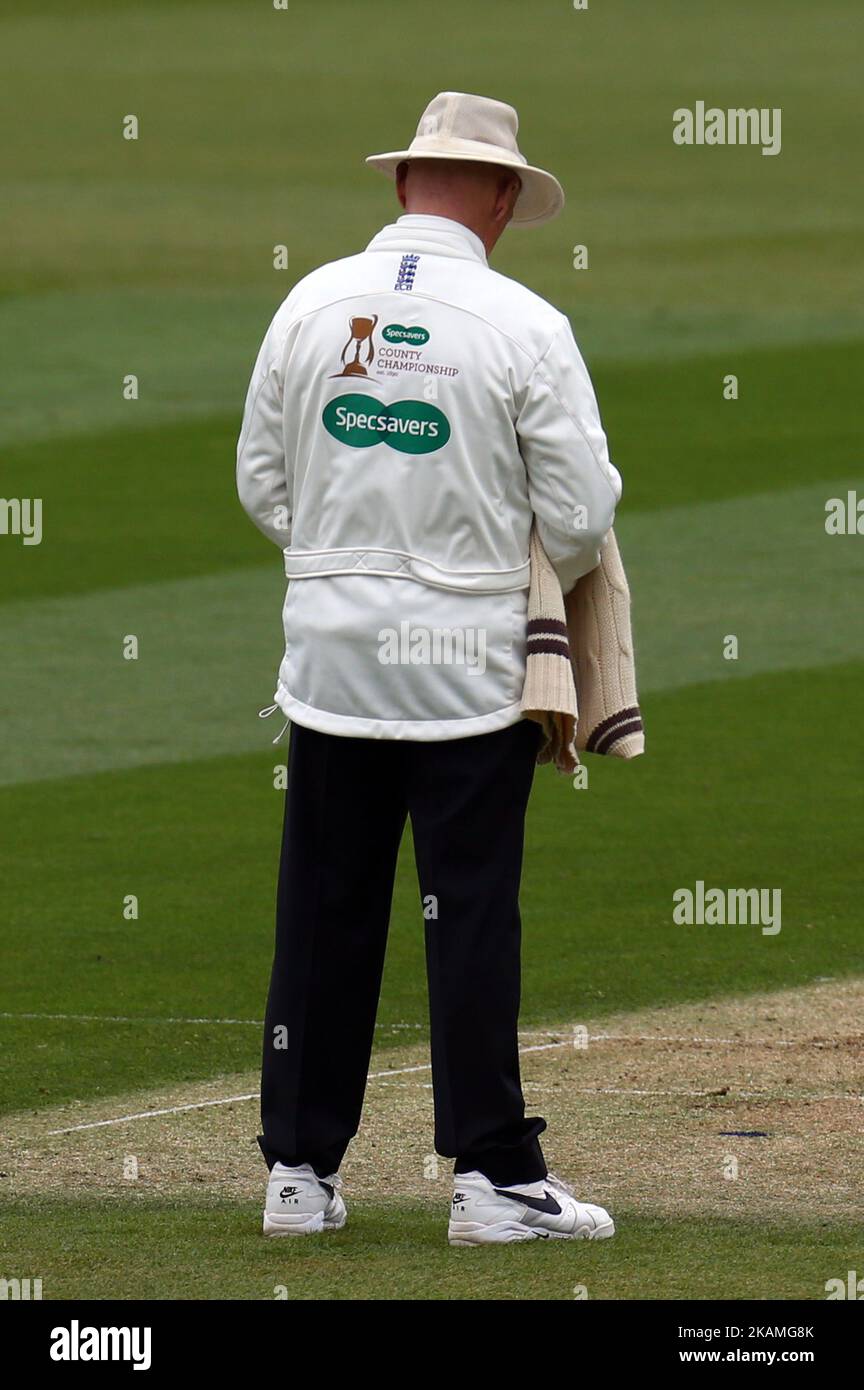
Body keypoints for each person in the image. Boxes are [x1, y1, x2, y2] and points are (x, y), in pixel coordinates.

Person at [237, 91, 621, 1245]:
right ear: (501, 199)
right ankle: (493, 1180)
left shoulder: (308, 303)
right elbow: (583, 512)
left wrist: (351, 567)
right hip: (467, 666)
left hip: (332, 660)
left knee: (324, 910)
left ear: (404, 183)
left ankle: (298, 1175)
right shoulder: (524, 321)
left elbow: (264, 484)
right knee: (468, 913)